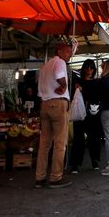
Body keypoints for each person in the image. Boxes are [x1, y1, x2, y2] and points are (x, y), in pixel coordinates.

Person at [34, 42, 74, 189]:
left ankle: (40, 177)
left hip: (44, 104)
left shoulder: (45, 66)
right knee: (59, 143)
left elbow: (40, 91)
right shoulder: (60, 62)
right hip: (58, 104)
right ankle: (56, 177)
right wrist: (63, 85)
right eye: (68, 52)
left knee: (44, 144)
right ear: (59, 51)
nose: (69, 55)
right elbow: (59, 75)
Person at [70, 59, 102, 173]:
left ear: (94, 69)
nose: (89, 70)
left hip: (92, 113)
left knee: (93, 138)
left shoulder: (96, 82)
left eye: (91, 67)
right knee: (78, 139)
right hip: (80, 113)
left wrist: (84, 91)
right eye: (87, 67)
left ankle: (94, 161)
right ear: (83, 68)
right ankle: (75, 164)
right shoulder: (77, 81)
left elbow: (97, 97)